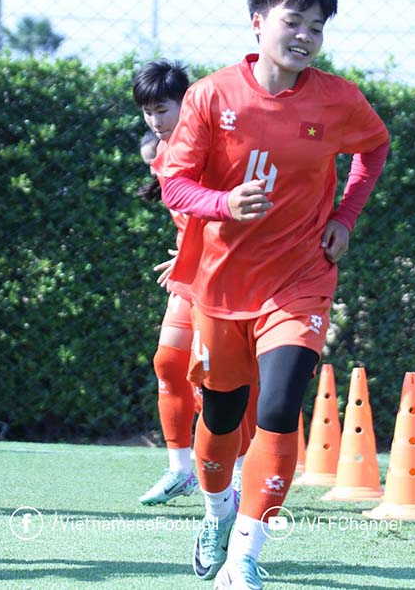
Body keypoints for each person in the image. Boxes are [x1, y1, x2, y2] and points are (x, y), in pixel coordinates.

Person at [158, 0, 389, 589]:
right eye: (294, 22)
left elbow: (375, 147)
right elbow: (173, 183)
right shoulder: (210, 96)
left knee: (282, 407)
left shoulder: (338, 98)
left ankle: (246, 553)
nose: (305, 36)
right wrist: (223, 204)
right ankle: (215, 511)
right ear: (258, 23)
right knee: (221, 423)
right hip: (222, 285)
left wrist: (346, 213)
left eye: (317, 27)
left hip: (301, 279)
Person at [132, 61, 256, 505]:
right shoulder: (163, 156)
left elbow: (231, 211)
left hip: (227, 277)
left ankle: (239, 475)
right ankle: (180, 469)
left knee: (220, 384)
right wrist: (184, 255)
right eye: (147, 112)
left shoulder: (219, 149)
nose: (155, 121)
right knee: (167, 363)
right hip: (192, 276)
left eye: (162, 109)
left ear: (191, 103)